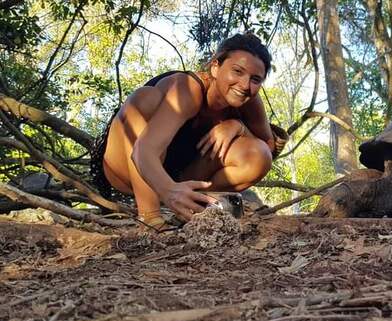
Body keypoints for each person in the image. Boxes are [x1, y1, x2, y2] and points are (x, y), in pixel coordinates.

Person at [91, 33, 277, 229]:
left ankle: (189, 203)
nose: (245, 85)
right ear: (215, 67)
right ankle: (151, 218)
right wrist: (168, 191)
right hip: (127, 168)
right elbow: (143, 151)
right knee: (144, 99)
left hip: (179, 173)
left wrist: (237, 127)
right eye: (237, 71)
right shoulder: (188, 88)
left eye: (255, 79)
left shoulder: (249, 101)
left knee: (258, 154)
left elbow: (269, 146)